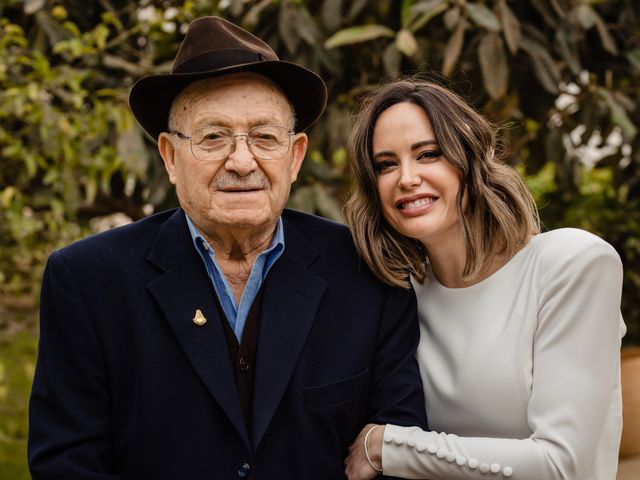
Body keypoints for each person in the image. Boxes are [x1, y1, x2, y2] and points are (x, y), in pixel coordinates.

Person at [28, 17, 427, 479]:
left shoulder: (367, 269)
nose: (241, 161)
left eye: (264, 137)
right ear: (170, 157)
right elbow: (66, 465)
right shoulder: (87, 280)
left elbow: (401, 449)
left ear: (294, 156)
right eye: (213, 136)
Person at [343, 78, 625, 480]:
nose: (406, 178)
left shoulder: (572, 264)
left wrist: (387, 446)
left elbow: (560, 463)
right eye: (386, 165)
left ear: (470, 160)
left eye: (428, 154)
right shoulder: (399, 295)